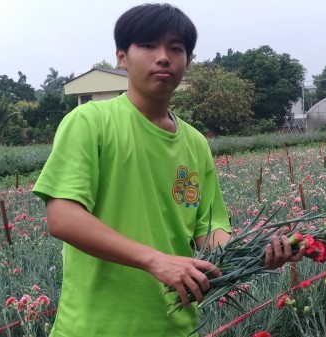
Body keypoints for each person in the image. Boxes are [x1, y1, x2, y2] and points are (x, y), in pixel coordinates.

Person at [32, 4, 303, 337]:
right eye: (148, 45)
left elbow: (210, 231)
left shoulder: (194, 142)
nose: (163, 57)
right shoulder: (90, 122)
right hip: (94, 327)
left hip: (175, 326)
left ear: (187, 61)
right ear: (121, 56)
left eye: (176, 48)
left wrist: (259, 253)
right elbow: (62, 216)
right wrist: (154, 260)